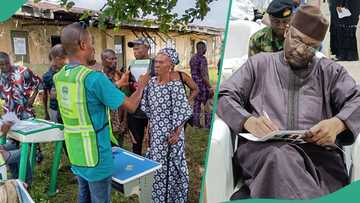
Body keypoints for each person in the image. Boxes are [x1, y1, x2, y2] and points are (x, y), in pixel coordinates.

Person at [217, 5, 360, 199]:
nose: (301, 50)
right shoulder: (259, 64)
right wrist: (248, 121)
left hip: (319, 158)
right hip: (264, 154)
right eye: (297, 40)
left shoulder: (330, 72)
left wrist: (338, 123)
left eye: (310, 46)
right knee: (280, 156)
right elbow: (224, 96)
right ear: (287, 31)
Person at [54, 22, 148, 203]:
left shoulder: (61, 77)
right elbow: (131, 105)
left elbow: (89, 96)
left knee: (84, 195)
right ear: (82, 44)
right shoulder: (94, 77)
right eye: (91, 43)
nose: (93, 48)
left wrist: (117, 84)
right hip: (96, 154)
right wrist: (142, 85)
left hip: (76, 150)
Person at [141, 48, 192, 202]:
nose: (156, 65)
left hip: (171, 135)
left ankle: (172, 198)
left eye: (161, 62)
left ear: (170, 65)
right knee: (156, 166)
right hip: (156, 134)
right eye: (155, 61)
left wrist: (177, 133)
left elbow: (182, 111)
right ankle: (157, 197)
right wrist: (147, 131)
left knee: (172, 168)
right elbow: (150, 111)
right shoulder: (151, 83)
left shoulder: (175, 86)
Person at [0, 51, 43, 164]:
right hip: (10, 113)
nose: (4, 67)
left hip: (25, 111)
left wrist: (32, 98)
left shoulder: (23, 71)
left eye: (6, 63)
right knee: (13, 138)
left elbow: (38, 82)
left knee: (31, 137)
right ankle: (17, 158)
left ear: (10, 61)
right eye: (1, 65)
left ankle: (36, 155)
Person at [127, 38, 155, 155]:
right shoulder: (131, 65)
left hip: (152, 110)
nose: (135, 50)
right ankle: (138, 168)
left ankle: (154, 168)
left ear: (147, 48)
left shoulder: (156, 64)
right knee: (136, 143)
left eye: (138, 47)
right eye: (134, 48)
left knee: (152, 142)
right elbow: (127, 86)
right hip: (135, 111)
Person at [101, 49, 130, 147]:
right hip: (106, 123)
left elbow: (125, 98)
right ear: (103, 60)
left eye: (115, 59)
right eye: (111, 59)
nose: (114, 61)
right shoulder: (100, 77)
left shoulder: (120, 76)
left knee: (119, 149)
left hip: (120, 120)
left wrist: (125, 120)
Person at [190, 41, 214, 129]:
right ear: (202, 48)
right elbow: (204, 75)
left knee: (196, 105)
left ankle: (196, 124)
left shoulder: (192, 58)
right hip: (202, 86)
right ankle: (208, 125)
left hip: (194, 85)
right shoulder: (202, 59)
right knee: (207, 105)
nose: (206, 50)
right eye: (205, 48)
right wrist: (210, 87)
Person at [43, 44, 68, 123]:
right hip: (55, 109)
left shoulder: (70, 73)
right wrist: (46, 112)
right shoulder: (48, 76)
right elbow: (45, 94)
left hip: (68, 109)